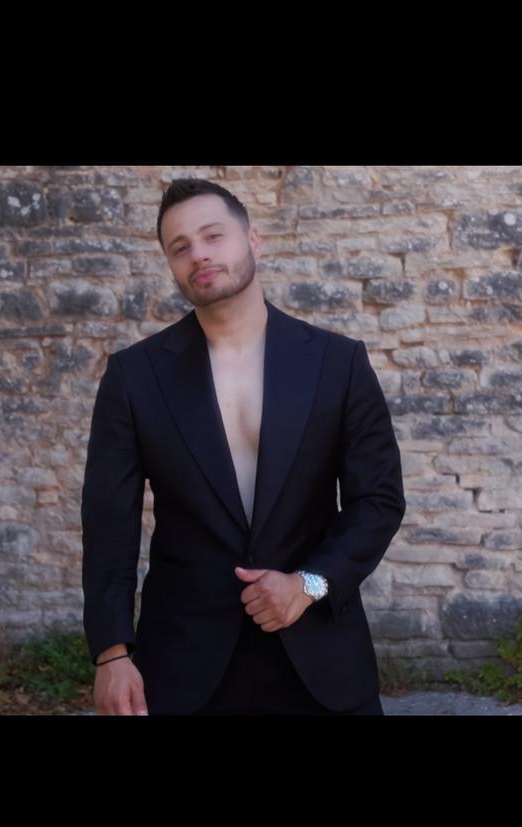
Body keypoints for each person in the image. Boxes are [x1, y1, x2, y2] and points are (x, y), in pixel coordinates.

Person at [81, 177, 405, 715]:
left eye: (213, 236)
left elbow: (378, 500)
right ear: (170, 265)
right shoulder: (133, 378)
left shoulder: (337, 363)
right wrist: (111, 653)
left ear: (254, 241)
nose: (199, 255)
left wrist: (309, 583)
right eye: (180, 247)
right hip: (184, 666)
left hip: (320, 656)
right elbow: (109, 524)